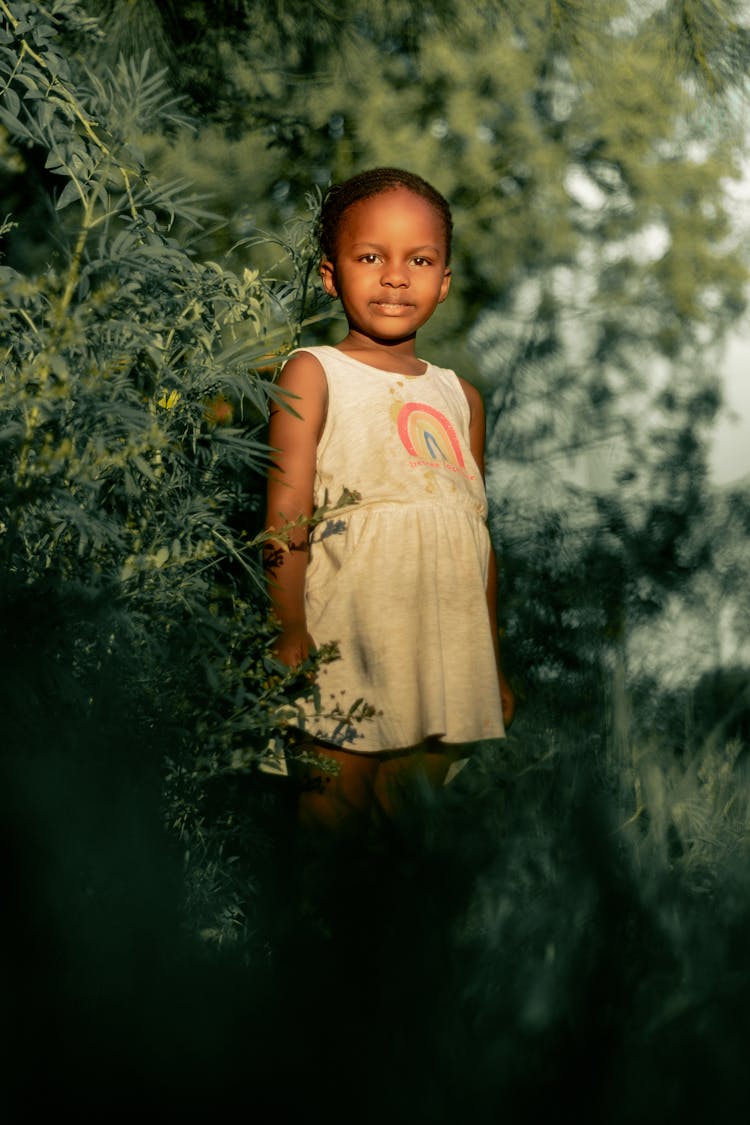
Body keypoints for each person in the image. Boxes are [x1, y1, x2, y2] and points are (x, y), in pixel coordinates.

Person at [264, 167, 515, 832]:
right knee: (332, 817)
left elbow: (475, 535)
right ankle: (313, 932)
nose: (396, 276)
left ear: (444, 281)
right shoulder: (314, 372)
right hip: (348, 634)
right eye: (371, 257)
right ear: (329, 273)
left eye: (419, 259)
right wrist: (290, 628)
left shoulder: (462, 398)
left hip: (443, 646)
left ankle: (389, 933)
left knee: (407, 834)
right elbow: (284, 518)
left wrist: (487, 657)